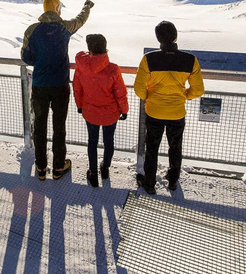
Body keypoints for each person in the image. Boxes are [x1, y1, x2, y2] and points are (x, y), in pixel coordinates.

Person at [21, 0, 94, 180]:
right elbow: (81, 20)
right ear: (56, 9)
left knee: (40, 126)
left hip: (40, 86)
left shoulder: (32, 30)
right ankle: (59, 167)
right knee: (59, 127)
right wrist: (87, 6)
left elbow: (26, 57)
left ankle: (41, 167)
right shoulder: (64, 27)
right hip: (60, 85)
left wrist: (41, 59)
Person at [134, 21, 204, 194]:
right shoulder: (190, 60)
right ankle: (173, 180)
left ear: (158, 38)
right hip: (177, 112)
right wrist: (185, 96)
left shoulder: (149, 59)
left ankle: (149, 183)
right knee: (175, 147)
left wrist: (149, 97)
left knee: (152, 147)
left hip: (154, 111)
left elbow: (138, 88)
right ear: (175, 36)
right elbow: (198, 90)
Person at [73, 34, 128, 188]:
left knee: (92, 142)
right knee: (108, 141)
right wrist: (124, 110)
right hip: (110, 113)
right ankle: (105, 168)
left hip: (90, 111)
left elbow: (77, 88)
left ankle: (92, 172)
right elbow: (120, 93)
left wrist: (80, 105)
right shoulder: (113, 69)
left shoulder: (81, 66)